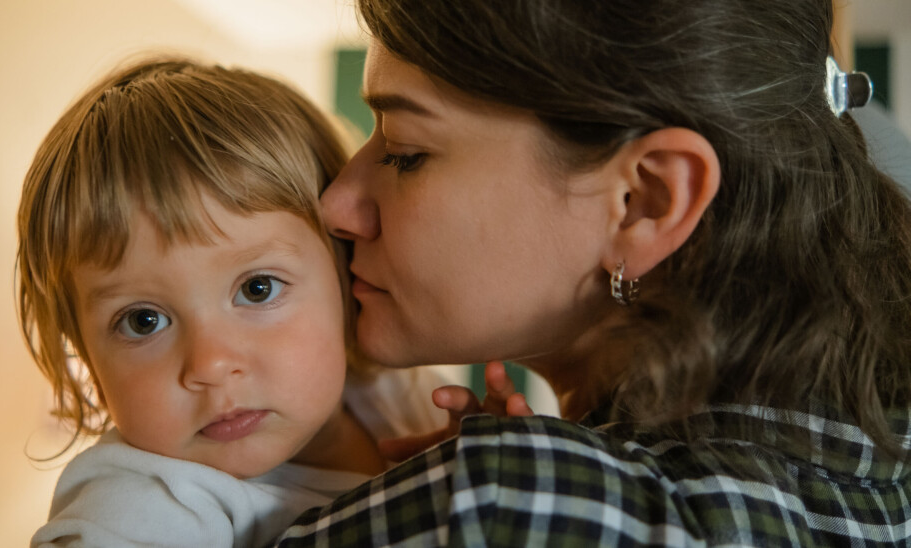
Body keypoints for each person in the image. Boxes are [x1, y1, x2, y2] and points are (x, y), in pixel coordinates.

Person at [268, 0, 911, 545]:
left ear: (645, 201)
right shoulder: (867, 471)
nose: (336, 205)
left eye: (406, 153)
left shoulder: (503, 506)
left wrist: (499, 486)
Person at [17, 58, 451, 547]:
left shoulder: (397, 396)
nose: (212, 363)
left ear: (342, 269)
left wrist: (477, 446)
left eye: (256, 288)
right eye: (144, 321)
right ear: (89, 360)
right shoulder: (154, 496)